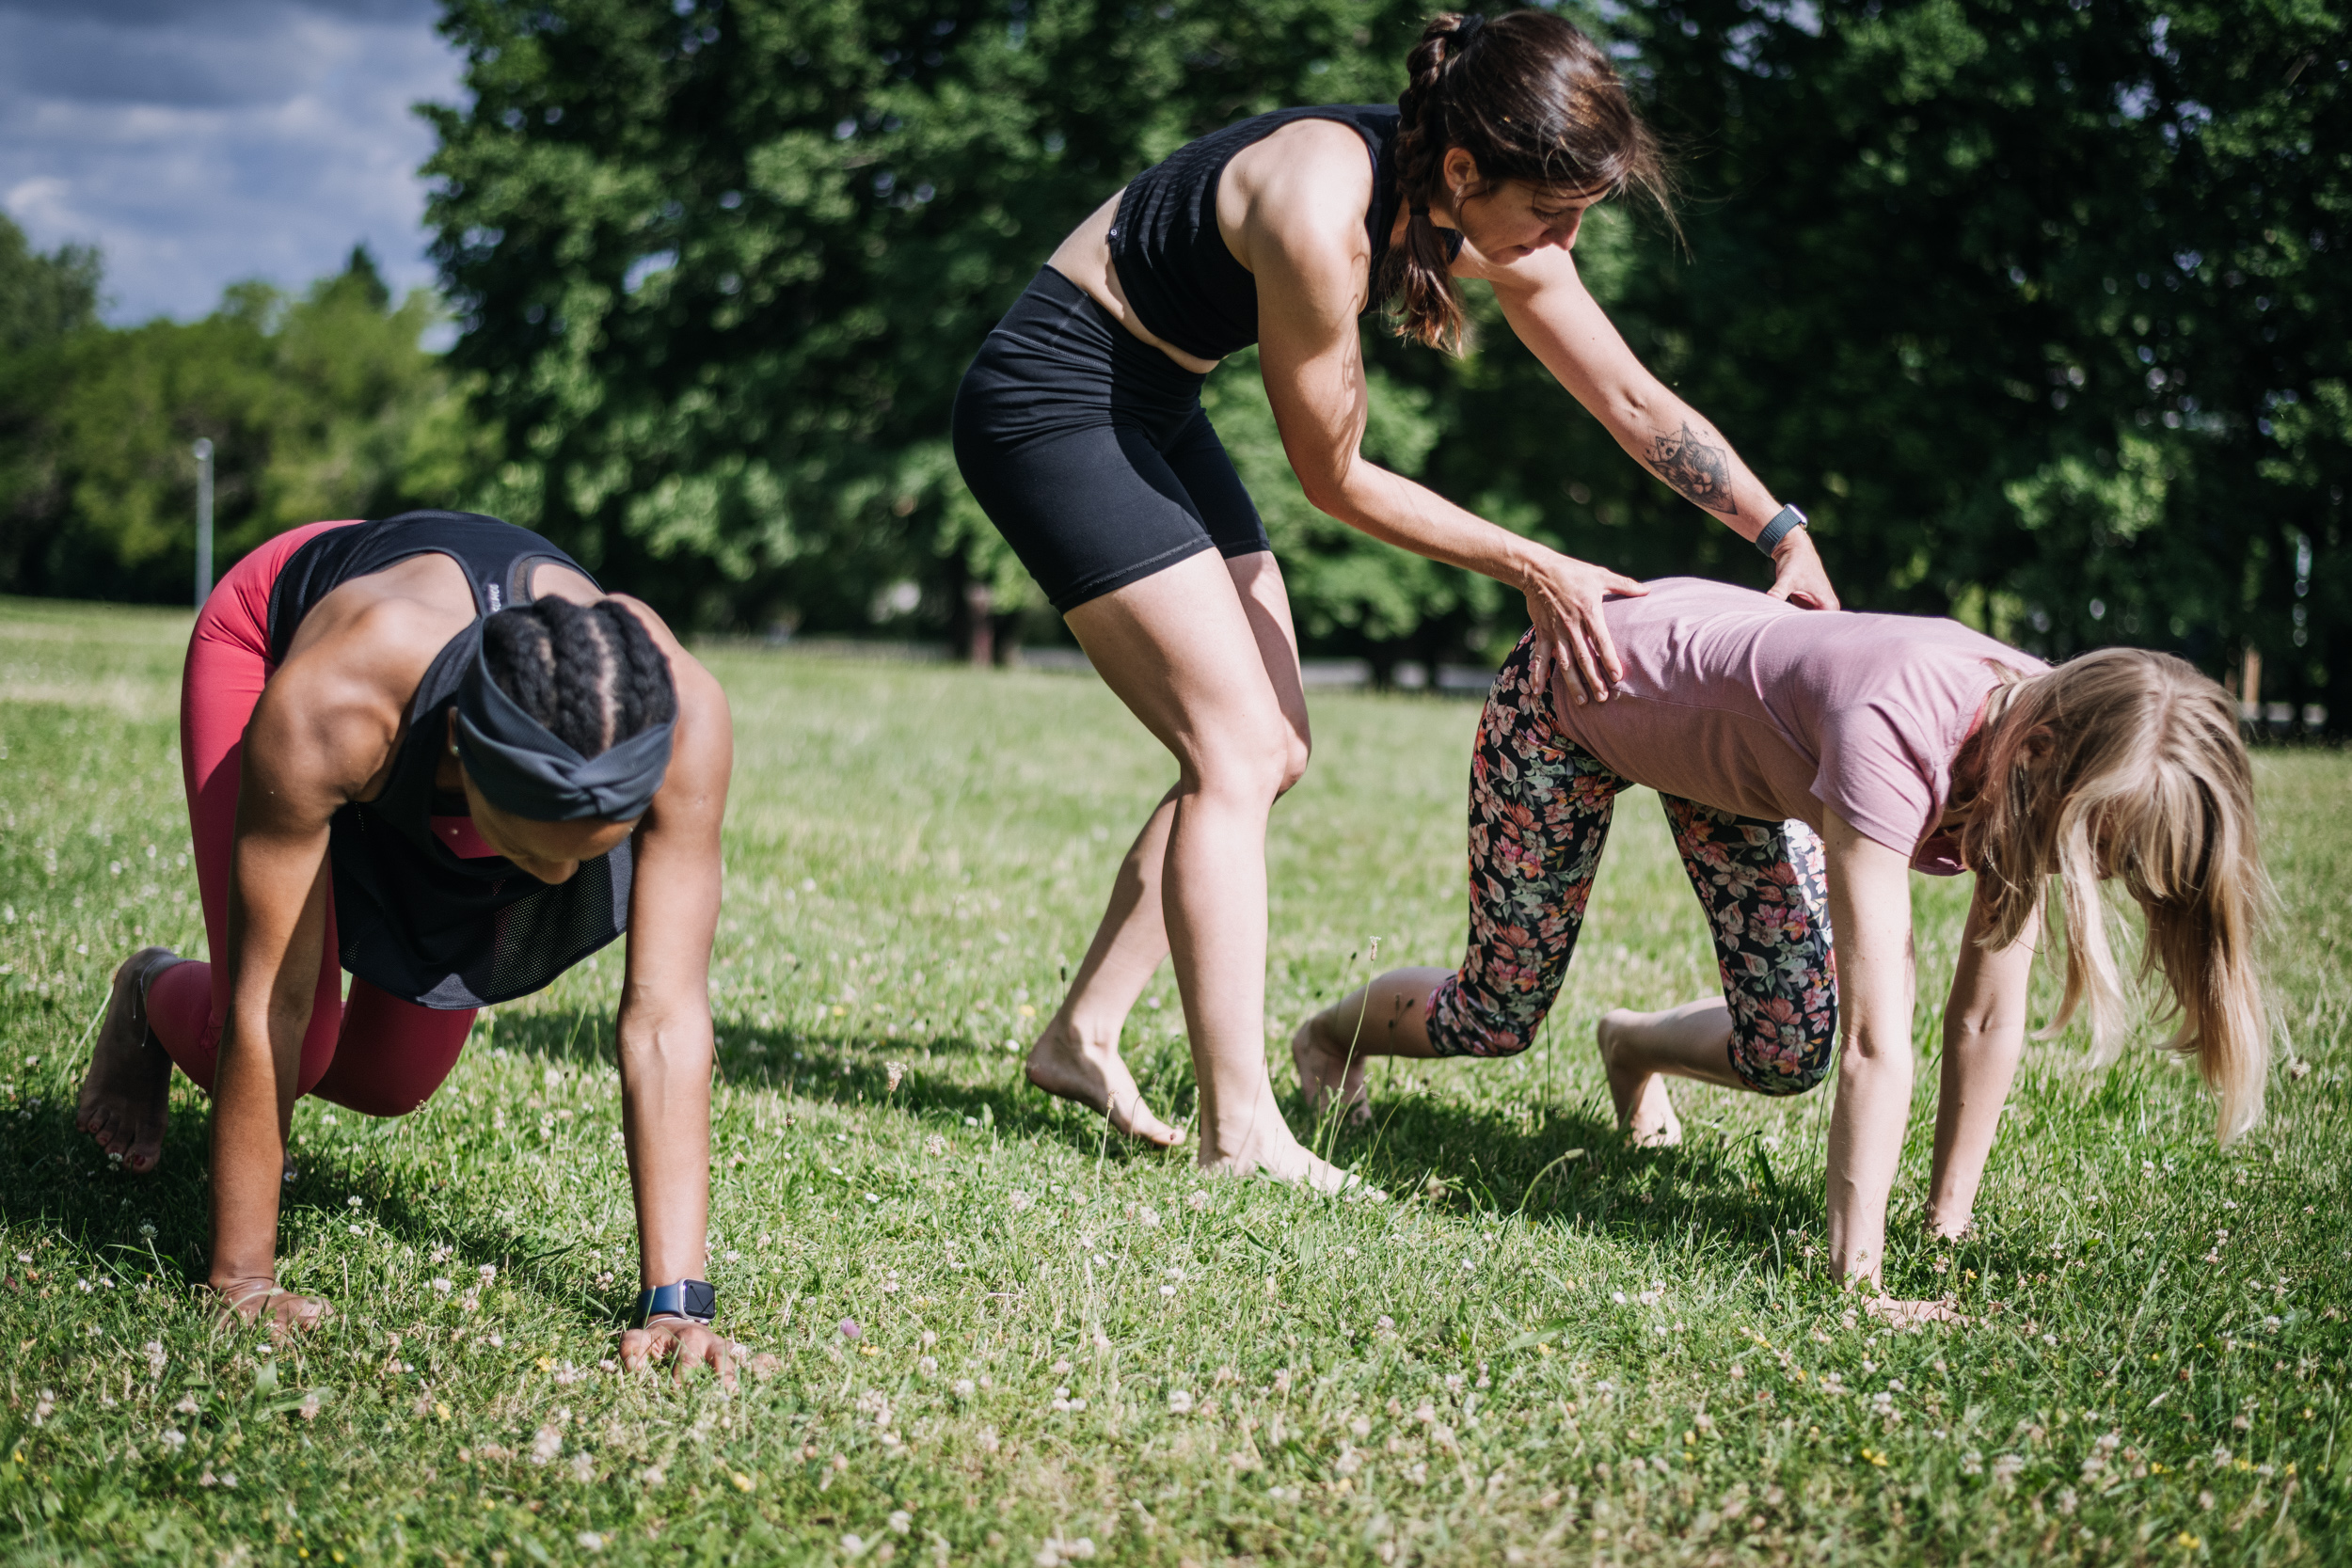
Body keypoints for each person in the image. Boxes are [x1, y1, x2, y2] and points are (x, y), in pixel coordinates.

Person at [952, 8, 1837, 1188]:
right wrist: (1534, 563)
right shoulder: (1322, 210)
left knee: (1270, 750)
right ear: (1464, 169)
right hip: (1053, 402)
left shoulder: (1474, 209)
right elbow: (1335, 478)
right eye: (1551, 212)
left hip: (1154, 397)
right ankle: (1240, 1133)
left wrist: (1781, 530)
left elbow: (1627, 397)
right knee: (1233, 747)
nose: (1564, 240)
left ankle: (1080, 1036)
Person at [1292, 578, 2270, 1316]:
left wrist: (1946, 1227)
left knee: (1789, 1040)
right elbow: (1878, 1042)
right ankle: (1328, 1038)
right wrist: (1859, 1282)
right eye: (2095, 846)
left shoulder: (2042, 737)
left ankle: (1628, 1044)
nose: (2092, 874)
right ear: (2048, 751)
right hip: (1578, 689)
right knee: (1496, 1011)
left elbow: (1981, 1012)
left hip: (1735, 754)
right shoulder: (1897, 729)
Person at [73, 511, 739, 1380]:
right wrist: (243, 1280)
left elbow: (665, 1017)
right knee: (302, 1030)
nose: (547, 882)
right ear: (463, 751)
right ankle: (149, 995)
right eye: (533, 849)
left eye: (585, 856)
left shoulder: (680, 714)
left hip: (447, 742)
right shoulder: (335, 700)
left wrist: (677, 1304)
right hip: (273, 637)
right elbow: (267, 1000)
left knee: (393, 1077)